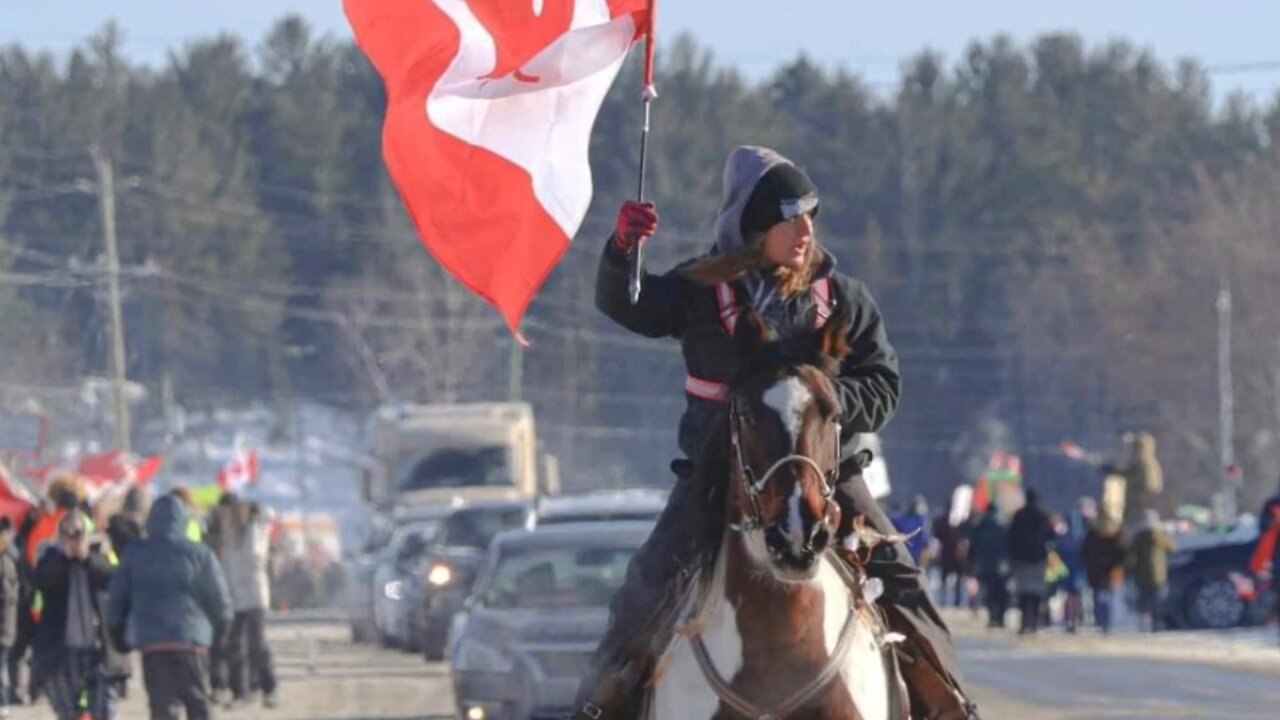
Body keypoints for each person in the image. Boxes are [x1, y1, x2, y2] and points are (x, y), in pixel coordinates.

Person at [574, 146, 979, 720]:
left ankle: (950, 701)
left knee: (903, 581)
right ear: (755, 227)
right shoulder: (700, 292)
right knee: (646, 582)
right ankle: (599, 703)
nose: (806, 229)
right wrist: (622, 252)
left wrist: (819, 405)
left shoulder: (841, 300)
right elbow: (626, 305)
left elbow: (885, 386)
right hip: (718, 481)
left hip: (828, 479)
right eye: (792, 216)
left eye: (811, 214)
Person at [107, 493, 233, 720]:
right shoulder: (199, 554)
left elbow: (117, 598)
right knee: (198, 703)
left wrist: (117, 634)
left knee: (162, 707)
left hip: (153, 644)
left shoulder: (135, 553)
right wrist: (220, 634)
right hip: (192, 643)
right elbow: (220, 602)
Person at [30, 511, 116, 720]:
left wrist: (87, 558)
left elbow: (113, 578)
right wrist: (64, 557)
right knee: (67, 711)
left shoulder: (100, 553)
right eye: (68, 533)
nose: (74, 537)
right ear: (59, 535)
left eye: (78, 532)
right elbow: (40, 581)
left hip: (97, 648)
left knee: (102, 711)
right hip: (61, 650)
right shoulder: (51, 555)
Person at [215, 499, 277, 708]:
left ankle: (269, 689)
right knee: (234, 647)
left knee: (256, 646)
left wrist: (252, 521)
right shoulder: (230, 539)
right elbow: (226, 568)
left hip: (254, 597)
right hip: (235, 599)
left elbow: (255, 555)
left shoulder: (255, 533)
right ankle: (240, 692)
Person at [1007, 488, 1053, 635]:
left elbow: (1011, 537)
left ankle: (1024, 620)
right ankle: (1033, 621)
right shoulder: (1043, 516)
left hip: (1021, 559)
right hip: (1038, 559)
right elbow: (1051, 537)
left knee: (1023, 592)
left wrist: (1012, 556)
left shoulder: (1018, 516)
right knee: (1036, 592)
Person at [1128, 509, 1175, 633]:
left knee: (1144, 601)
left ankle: (1144, 625)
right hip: (1158, 575)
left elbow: (1131, 554)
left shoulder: (1139, 536)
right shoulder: (1160, 535)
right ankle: (1157, 624)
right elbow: (1172, 548)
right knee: (1157, 601)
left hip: (1141, 574)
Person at [1081, 517, 1126, 633]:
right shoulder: (1114, 538)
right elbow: (1121, 555)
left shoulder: (1092, 537)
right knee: (1106, 598)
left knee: (1099, 597)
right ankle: (1106, 621)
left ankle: (1102, 620)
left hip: (1098, 572)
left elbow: (1084, 553)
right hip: (1108, 573)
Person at [968, 509, 1010, 629]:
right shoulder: (1002, 528)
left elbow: (973, 548)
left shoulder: (980, 529)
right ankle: (1000, 618)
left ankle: (993, 617)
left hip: (985, 566)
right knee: (1001, 593)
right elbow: (1008, 546)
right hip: (1000, 566)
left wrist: (971, 564)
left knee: (989, 593)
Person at [0, 519, 19, 718]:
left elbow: (7, 597)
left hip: (3, 627)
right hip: (6, 626)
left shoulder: (5, 562)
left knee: (1, 667)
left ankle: (3, 701)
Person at [107, 487, 147, 559]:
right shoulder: (113, 531)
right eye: (131, 513)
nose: (134, 518)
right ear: (124, 512)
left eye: (138, 514)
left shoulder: (145, 533)